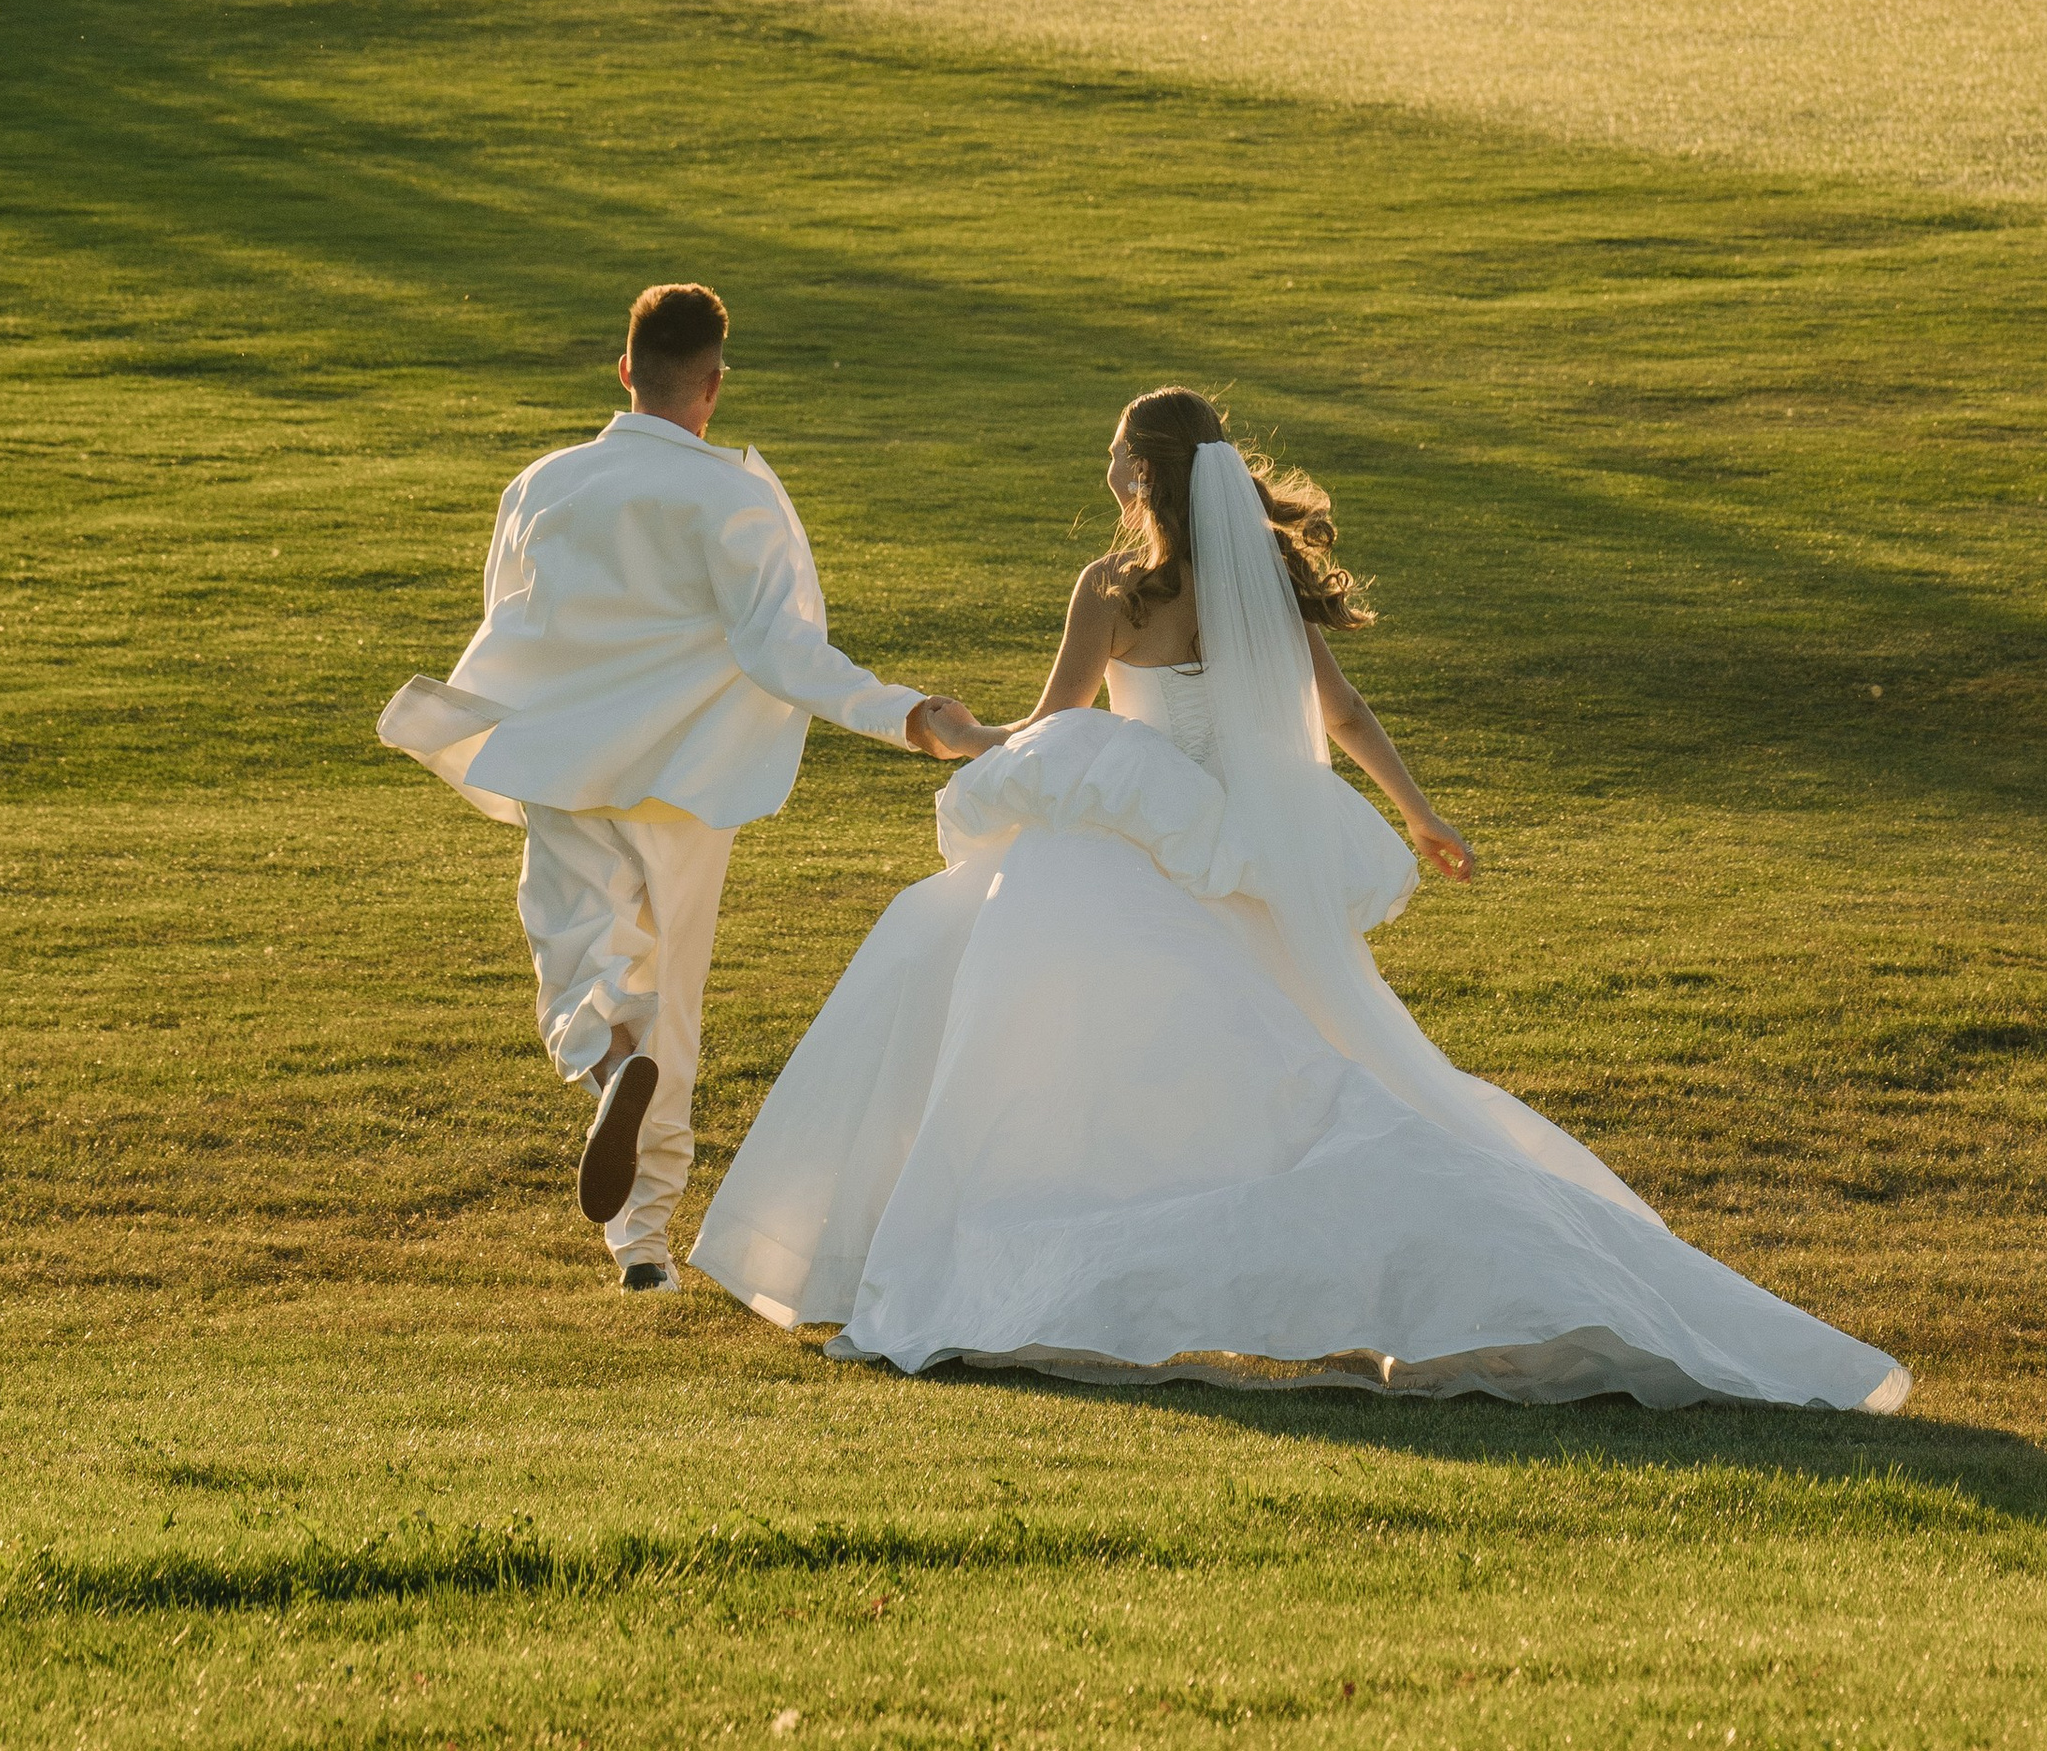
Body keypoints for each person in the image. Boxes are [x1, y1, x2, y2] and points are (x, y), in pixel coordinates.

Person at [693, 387, 1909, 1408]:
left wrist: (967, 737)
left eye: (1117, 444)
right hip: (1243, 855)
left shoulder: (1111, 591)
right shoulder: (1252, 585)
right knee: (1313, 1059)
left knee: (1045, 1010)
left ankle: (1009, 1257)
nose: (1105, 458)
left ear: (1139, 471)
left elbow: (1054, 723)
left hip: (1143, 845)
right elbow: (1343, 715)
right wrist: (1419, 814)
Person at [378, 282, 977, 1288]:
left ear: (624, 371)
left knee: (578, 959)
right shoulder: (735, 496)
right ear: (713, 384)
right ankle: (644, 1242)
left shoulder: (544, 482)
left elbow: (513, 620)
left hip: (564, 764)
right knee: (675, 1001)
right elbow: (784, 652)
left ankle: (611, 1081)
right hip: (688, 782)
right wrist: (908, 715)